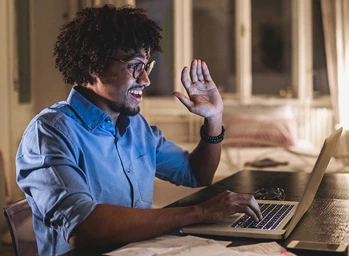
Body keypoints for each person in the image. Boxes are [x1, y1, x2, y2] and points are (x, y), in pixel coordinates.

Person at [16, 4, 262, 255]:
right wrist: (200, 212)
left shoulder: (136, 125)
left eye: (147, 66)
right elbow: (86, 226)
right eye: (135, 66)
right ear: (94, 65)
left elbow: (197, 175)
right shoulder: (49, 133)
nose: (145, 80)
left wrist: (214, 117)